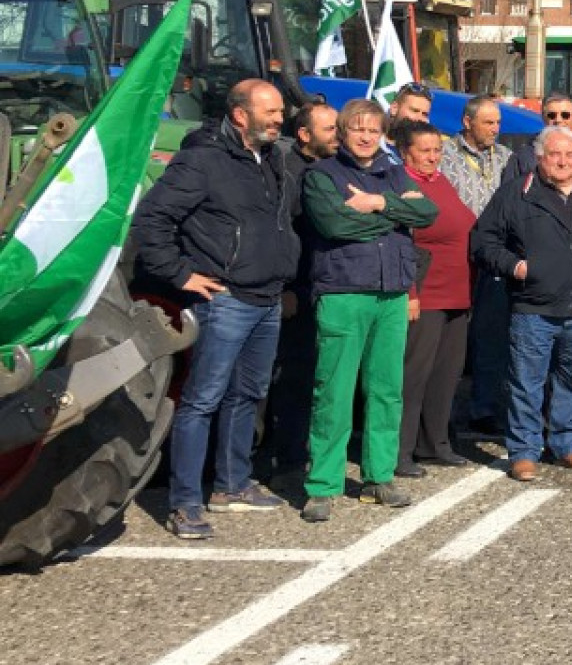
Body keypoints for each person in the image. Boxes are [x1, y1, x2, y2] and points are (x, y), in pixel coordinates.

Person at [132, 79, 300, 539]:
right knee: (202, 400)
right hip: (224, 300)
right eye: (270, 111)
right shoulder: (202, 159)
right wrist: (180, 274)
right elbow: (152, 219)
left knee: (247, 395)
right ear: (240, 113)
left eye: (281, 111)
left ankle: (232, 485)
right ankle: (186, 502)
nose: (279, 118)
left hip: (265, 299)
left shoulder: (272, 159)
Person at [300, 99, 439, 521]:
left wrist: (378, 204)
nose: (366, 136)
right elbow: (335, 225)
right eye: (357, 128)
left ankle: (379, 476)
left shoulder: (393, 172)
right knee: (334, 391)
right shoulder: (321, 175)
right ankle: (323, 484)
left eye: (373, 129)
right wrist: (397, 212)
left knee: (386, 390)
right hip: (344, 291)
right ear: (343, 132)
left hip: (391, 293)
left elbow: (427, 211)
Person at [472, 125, 572, 481]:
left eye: (570, 154)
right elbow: (483, 241)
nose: (563, 161)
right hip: (533, 309)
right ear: (540, 158)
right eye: (555, 154)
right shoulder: (516, 194)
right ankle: (524, 451)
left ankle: (567, 443)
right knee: (526, 382)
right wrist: (516, 267)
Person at [261, 98, 337, 487]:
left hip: (327, 286)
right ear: (304, 135)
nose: (337, 136)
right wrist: (289, 287)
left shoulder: (332, 169)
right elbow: (285, 234)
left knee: (316, 378)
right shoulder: (288, 173)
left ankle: (306, 450)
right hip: (297, 289)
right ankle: (284, 461)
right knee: (291, 378)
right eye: (330, 130)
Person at [394, 120, 475, 476]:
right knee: (414, 374)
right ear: (405, 152)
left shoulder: (441, 181)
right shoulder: (401, 184)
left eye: (437, 150)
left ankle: (435, 442)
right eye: (424, 150)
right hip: (425, 292)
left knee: (446, 372)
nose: (432, 157)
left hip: (457, 291)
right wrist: (410, 292)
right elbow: (400, 243)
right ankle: (400, 450)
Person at [440, 96, 513, 437]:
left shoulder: (507, 158)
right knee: (450, 341)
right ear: (467, 122)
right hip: (454, 258)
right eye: (488, 123)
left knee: (490, 336)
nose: (495, 129)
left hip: (493, 259)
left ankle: (484, 408)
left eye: (497, 123)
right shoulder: (444, 155)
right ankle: (443, 414)